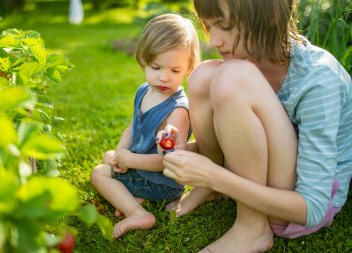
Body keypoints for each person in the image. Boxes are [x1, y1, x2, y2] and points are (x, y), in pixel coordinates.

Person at [160, 0, 352, 252]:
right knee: (203, 75)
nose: (213, 41)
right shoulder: (249, 61)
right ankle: (207, 187)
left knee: (231, 76)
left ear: (271, 17)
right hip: (264, 174)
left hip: (298, 205)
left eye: (225, 27)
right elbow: (251, 136)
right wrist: (188, 151)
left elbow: (312, 207)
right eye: (209, 26)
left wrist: (215, 176)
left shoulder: (318, 81)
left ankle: (251, 229)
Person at [91, 13, 200, 239]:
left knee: (99, 173)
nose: (164, 77)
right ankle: (134, 197)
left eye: (175, 71)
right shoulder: (144, 90)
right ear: (144, 60)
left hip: (161, 181)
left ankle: (136, 212)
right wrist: (121, 151)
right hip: (142, 166)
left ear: (188, 68)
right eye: (156, 67)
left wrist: (129, 160)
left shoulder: (177, 111)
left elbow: (167, 161)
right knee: (109, 156)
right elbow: (133, 127)